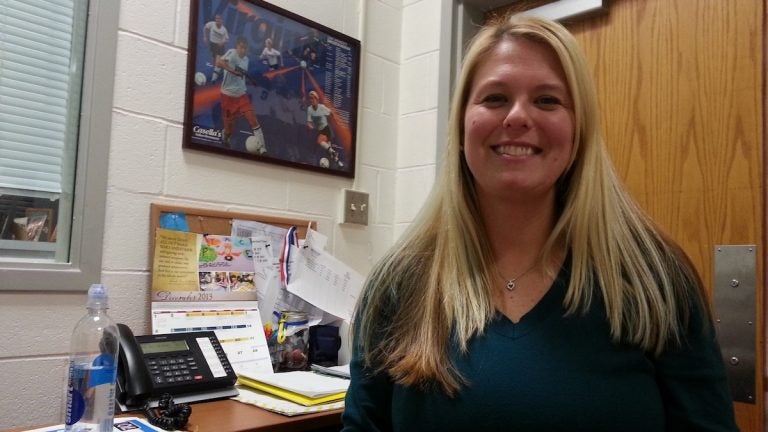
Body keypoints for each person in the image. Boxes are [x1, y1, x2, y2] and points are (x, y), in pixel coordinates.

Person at [341, 13, 737, 432]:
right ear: (460, 126)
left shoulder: (653, 278)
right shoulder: (398, 283)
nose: (517, 116)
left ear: (578, 130)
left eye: (547, 100)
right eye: (494, 98)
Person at [216, 36, 266, 154]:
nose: (243, 50)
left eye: (245, 48)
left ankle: (263, 148)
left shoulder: (246, 60)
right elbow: (219, 63)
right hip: (227, 97)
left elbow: (241, 76)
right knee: (229, 130)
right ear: (237, 47)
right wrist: (232, 71)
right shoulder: (232, 53)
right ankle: (226, 136)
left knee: (253, 120)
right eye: (241, 47)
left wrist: (249, 81)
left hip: (241, 96)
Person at [306, 90, 342, 167]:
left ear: (317, 99)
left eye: (313, 98)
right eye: (310, 98)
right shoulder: (309, 109)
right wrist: (310, 125)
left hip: (326, 130)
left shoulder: (322, 107)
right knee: (329, 152)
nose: (311, 100)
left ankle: (334, 152)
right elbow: (309, 121)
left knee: (319, 141)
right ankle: (338, 162)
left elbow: (331, 112)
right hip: (319, 130)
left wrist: (336, 120)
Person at [202, 14, 229, 82]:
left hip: (220, 47)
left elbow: (227, 39)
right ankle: (216, 72)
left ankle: (214, 79)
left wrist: (222, 42)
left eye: (219, 19)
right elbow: (205, 28)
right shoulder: (211, 24)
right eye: (216, 18)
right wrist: (205, 36)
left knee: (218, 63)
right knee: (214, 61)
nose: (217, 20)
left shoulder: (224, 29)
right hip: (212, 44)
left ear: (222, 20)